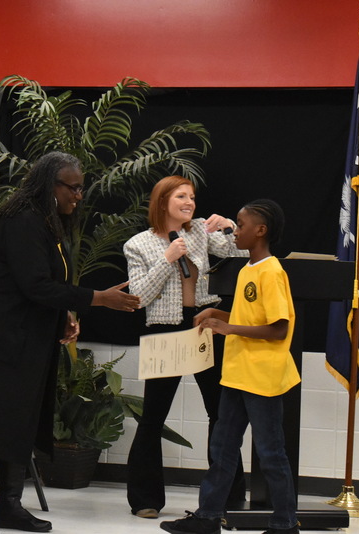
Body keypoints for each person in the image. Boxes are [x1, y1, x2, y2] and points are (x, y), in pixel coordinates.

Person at [0, 151, 141, 534]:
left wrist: (65, 316)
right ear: (50, 185)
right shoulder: (23, 220)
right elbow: (34, 284)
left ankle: (9, 505)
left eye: (81, 187)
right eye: (72, 187)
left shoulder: (50, 224)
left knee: (21, 411)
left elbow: (44, 284)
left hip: (20, 327)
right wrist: (97, 298)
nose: (78, 195)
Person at [160, 198, 299, 534]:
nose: (236, 230)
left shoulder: (272, 271)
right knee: (222, 448)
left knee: (270, 453)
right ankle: (208, 518)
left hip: (262, 377)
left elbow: (278, 328)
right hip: (236, 374)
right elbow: (245, 318)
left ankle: (285, 524)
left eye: (242, 224)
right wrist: (217, 315)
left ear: (261, 231)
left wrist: (228, 328)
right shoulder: (247, 270)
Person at [123, 175, 247, 519]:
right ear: (163, 202)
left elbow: (244, 251)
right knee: (153, 417)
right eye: (181, 196)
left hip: (204, 325)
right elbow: (138, 297)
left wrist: (229, 227)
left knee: (220, 414)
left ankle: (226, 498)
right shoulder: (138, 245)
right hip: (164, 331)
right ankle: (145, 499)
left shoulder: (197, 232)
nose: (190, 202)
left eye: (191, 197)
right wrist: (166, 259)